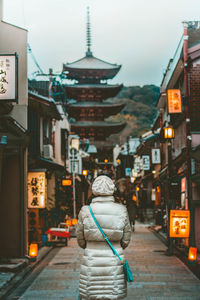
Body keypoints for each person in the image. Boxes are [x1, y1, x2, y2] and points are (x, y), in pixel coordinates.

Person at [76, 175, 132, 300]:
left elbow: (80, 238)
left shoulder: (85, 210)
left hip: (91, 257)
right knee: (113, 292)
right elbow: (126, 238)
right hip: (114, 255)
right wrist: (117, 245)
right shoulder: (121, 209)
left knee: (91, 292)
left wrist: (90, 245)